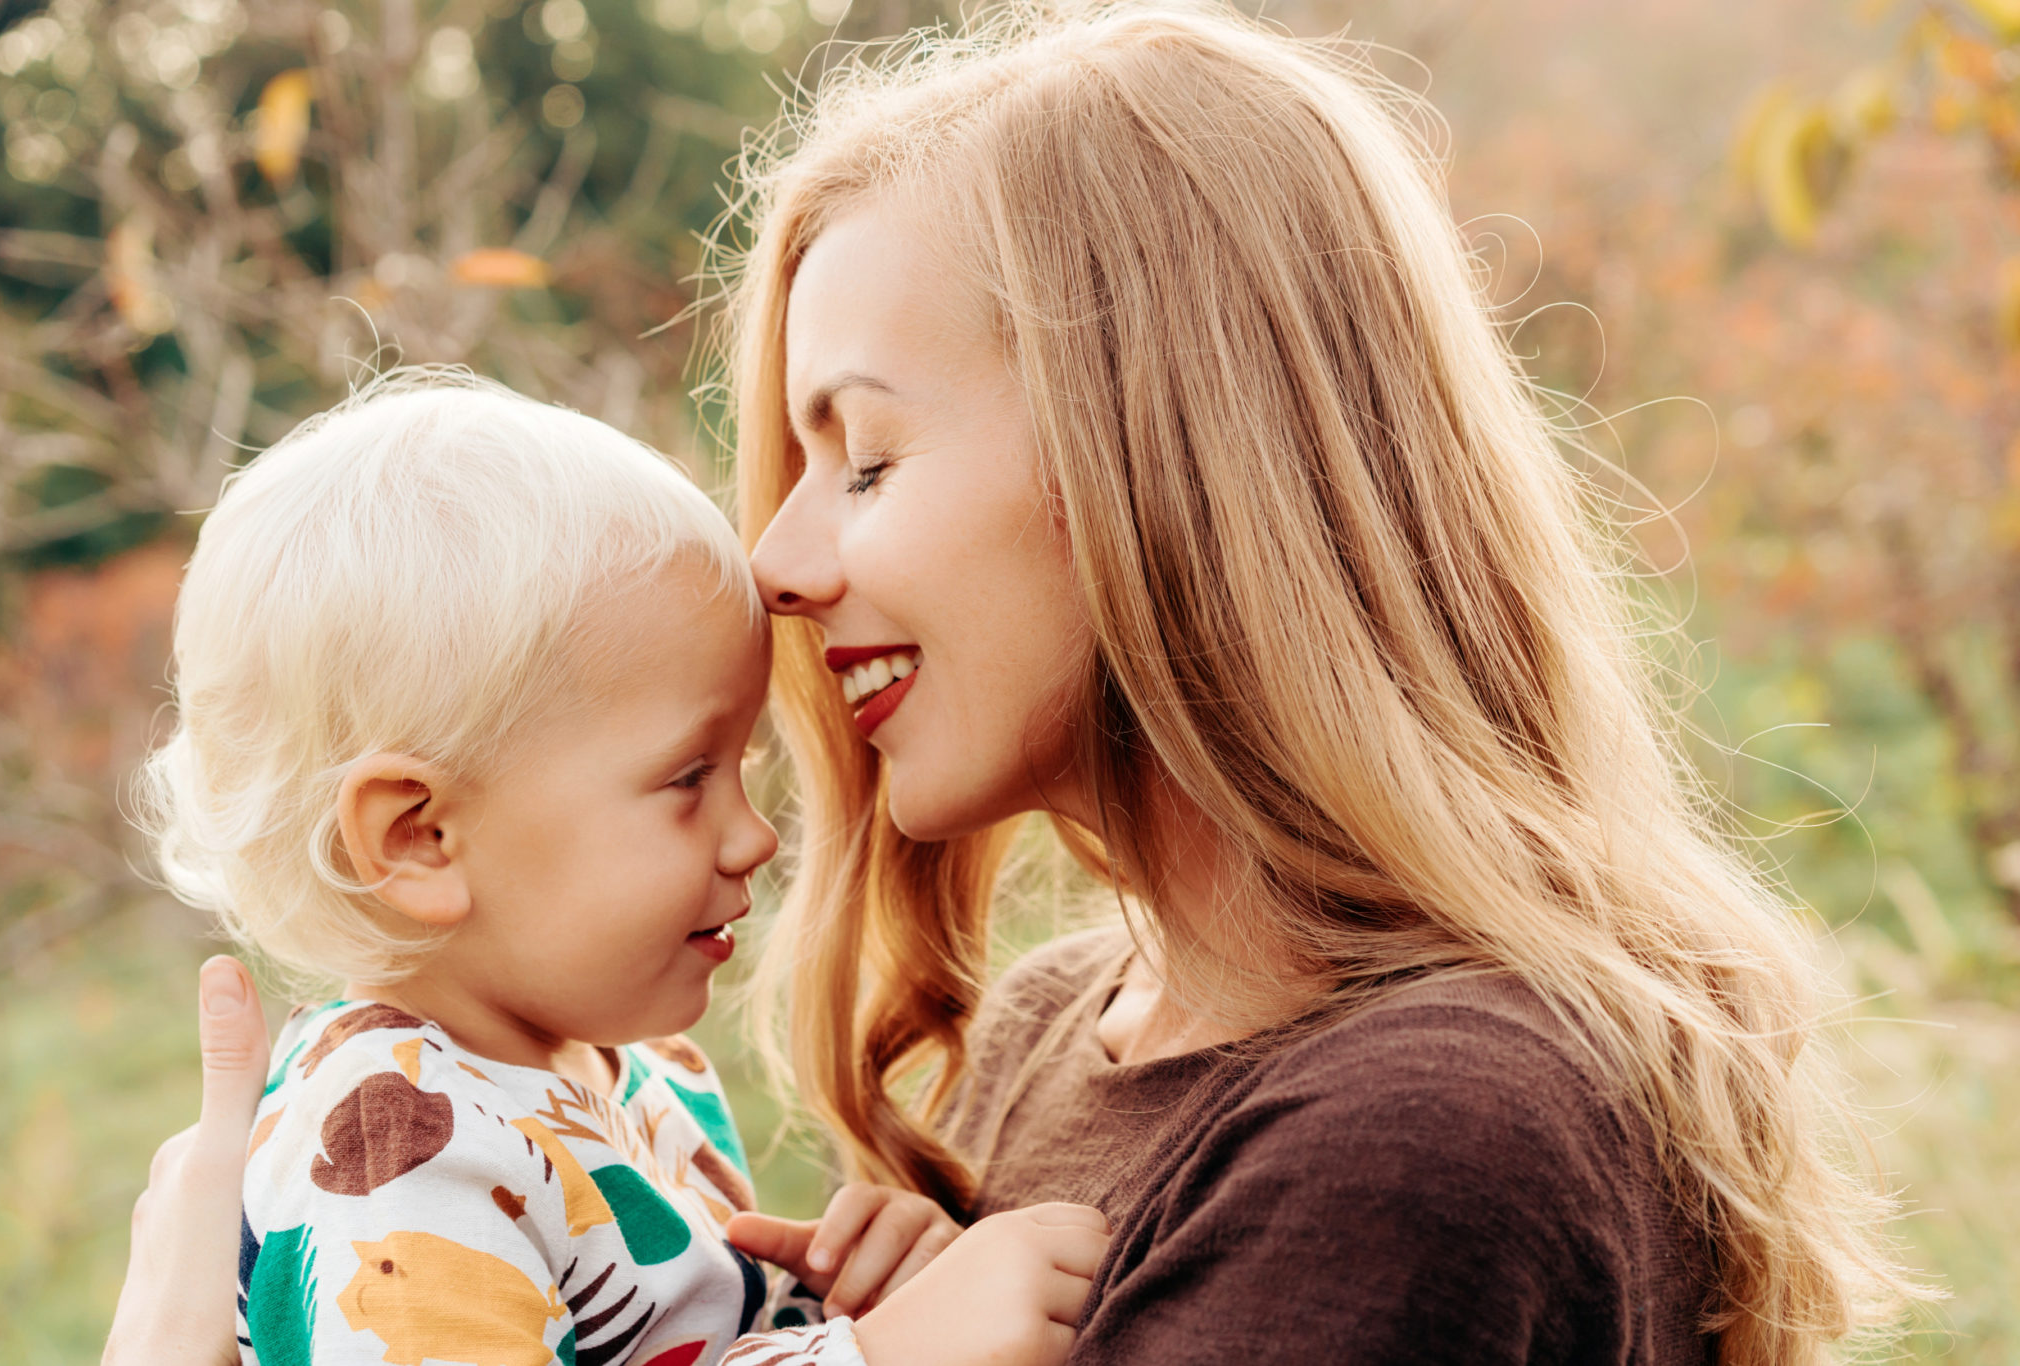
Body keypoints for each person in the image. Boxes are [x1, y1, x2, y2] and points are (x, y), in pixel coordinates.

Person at [108, 6, 1925, 1365]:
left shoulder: (1408, 1145)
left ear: (1169, 470)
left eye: (865, 458)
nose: (784, 563)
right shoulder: (1062, 1028)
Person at [122, 372, 1106, 1366]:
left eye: (743, 769)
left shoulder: (628, 1076)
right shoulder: (392, 1138)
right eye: (688, 777)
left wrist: (848, 1306)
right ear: (419, 837)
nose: (753, 837)